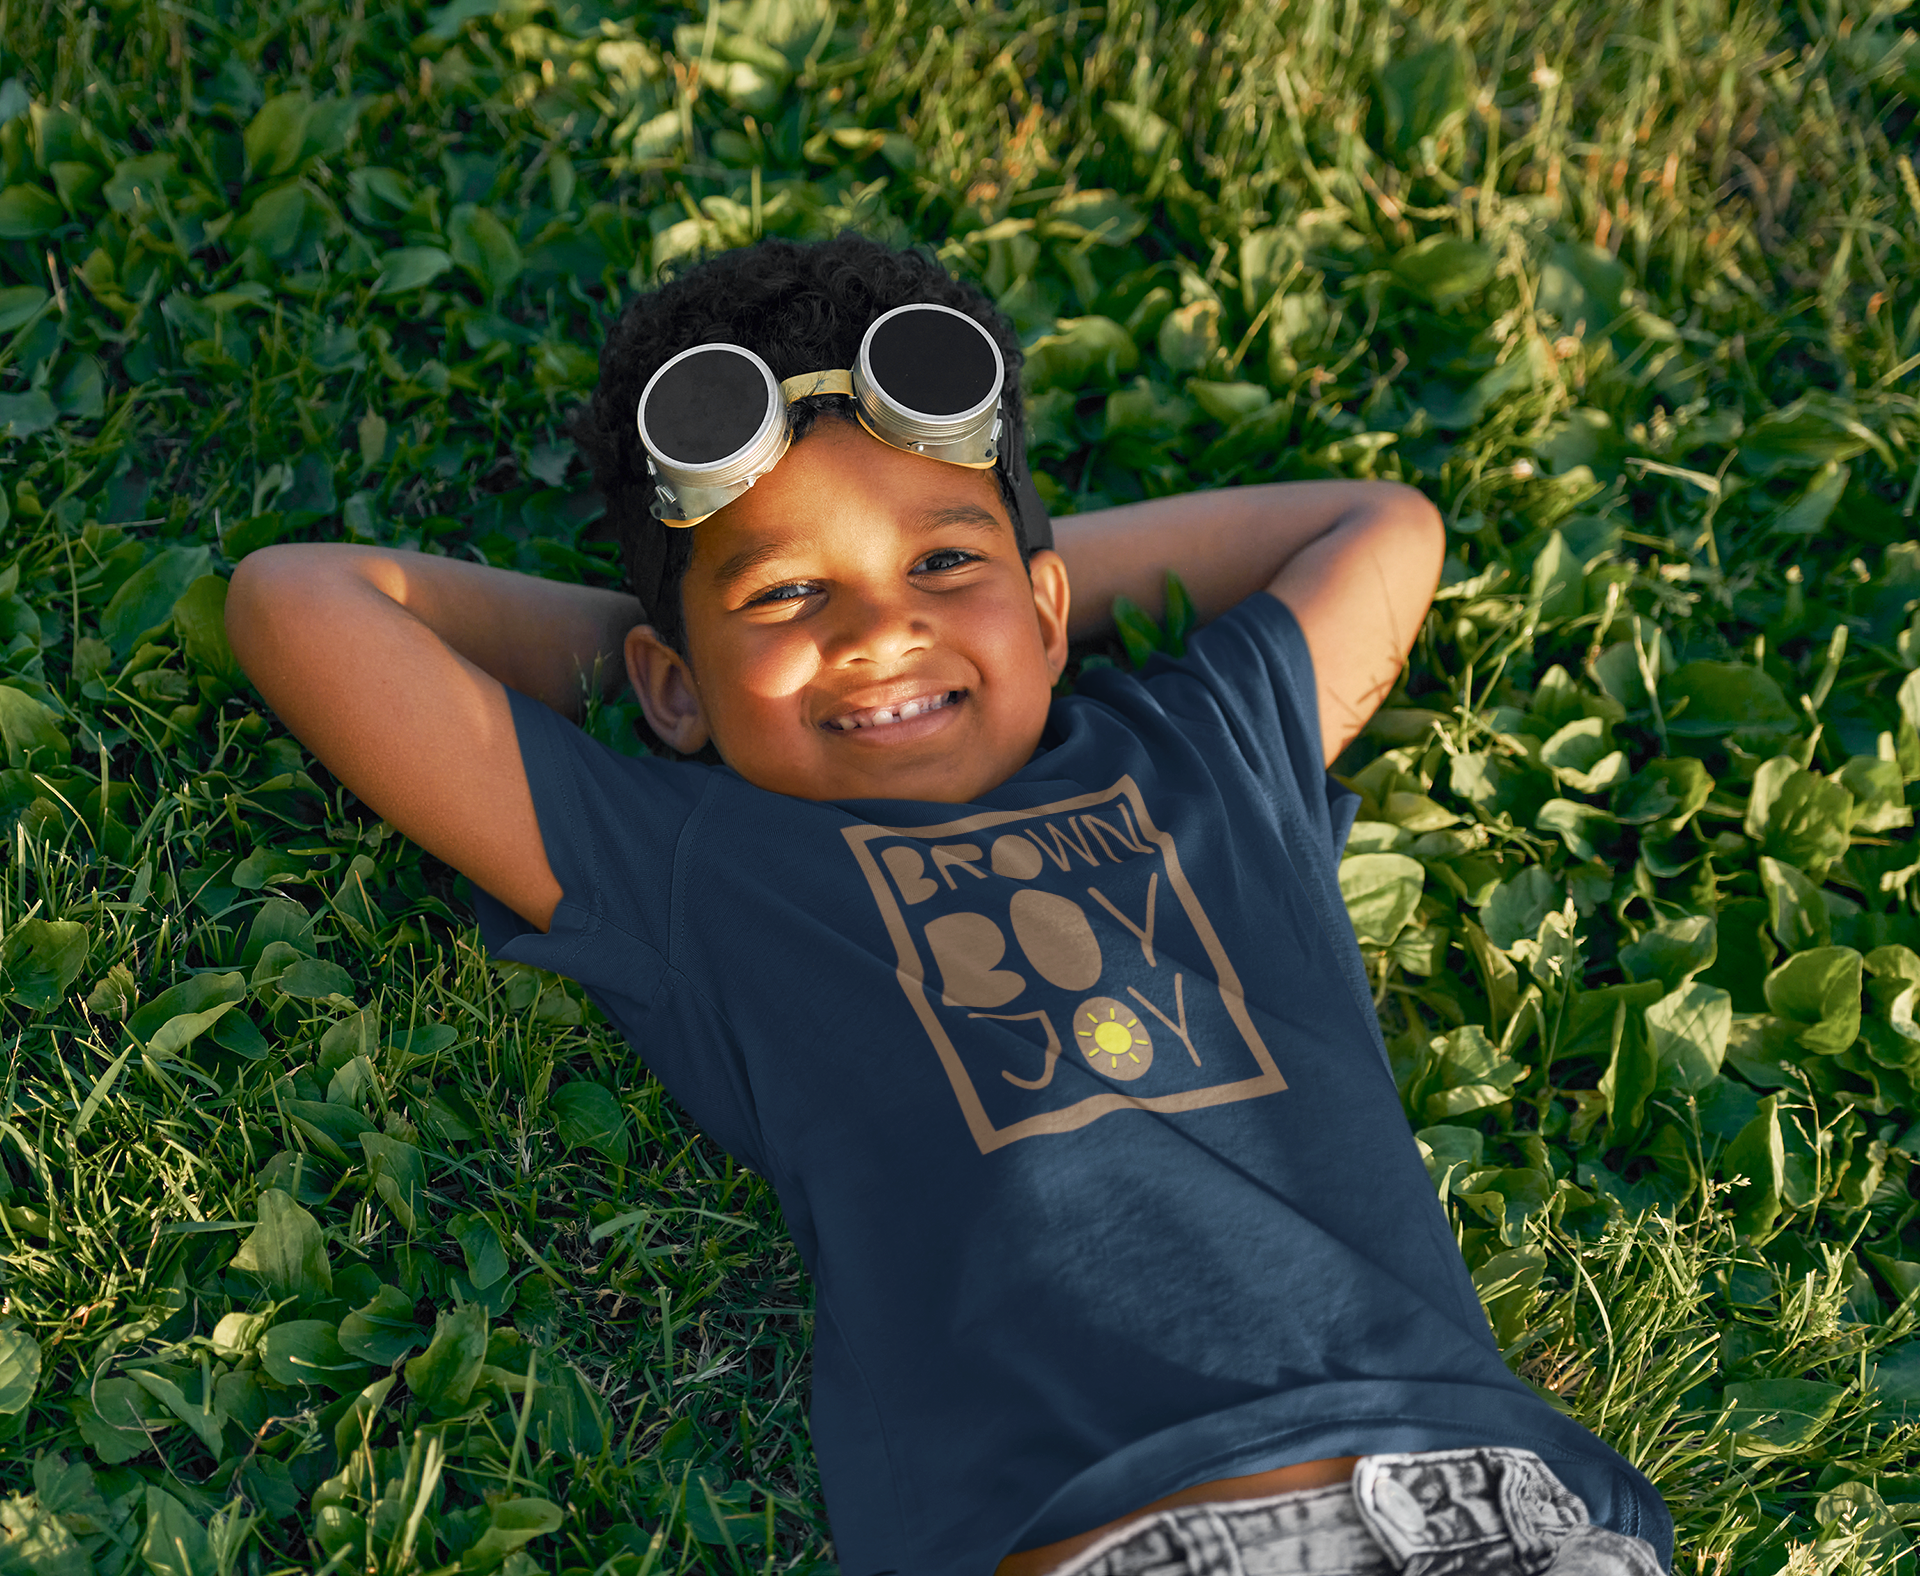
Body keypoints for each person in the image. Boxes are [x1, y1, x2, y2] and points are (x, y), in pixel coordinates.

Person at [224, 233, 1672, 1576]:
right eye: (788, 597)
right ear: (673, 687)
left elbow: (1380, 523)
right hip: (1111, 1535)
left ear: (1050, 607)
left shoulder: (1203, 750)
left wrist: (941, 595)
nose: (878, 632)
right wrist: (673, 654)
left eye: (941, 565)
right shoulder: (697, 863)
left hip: (1489, 1508)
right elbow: (302, 604)